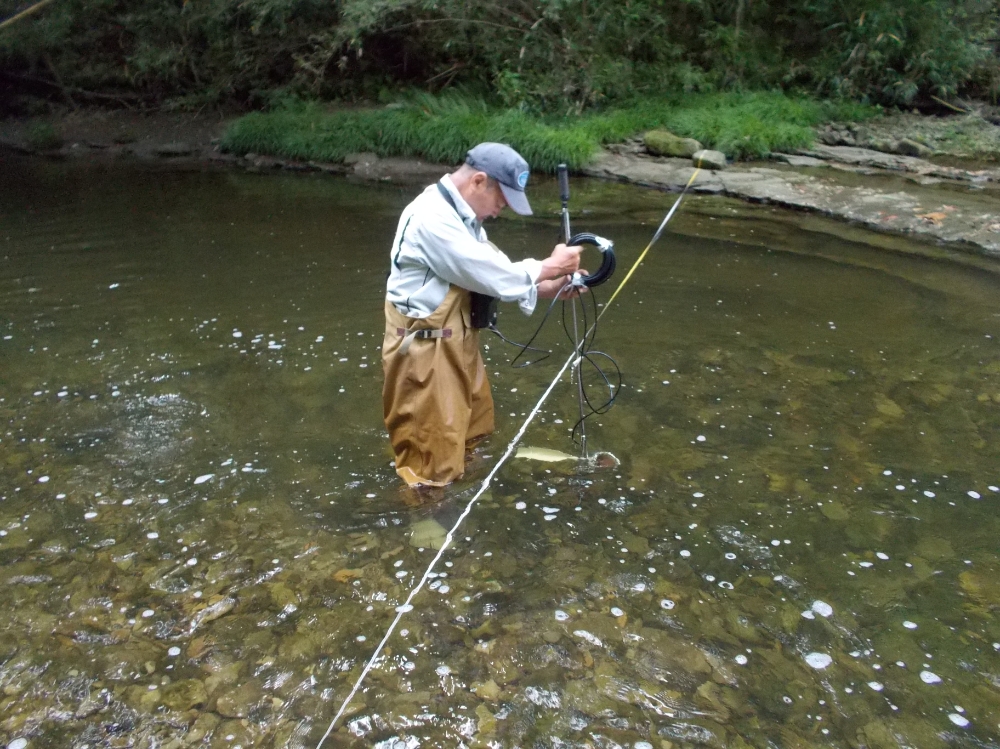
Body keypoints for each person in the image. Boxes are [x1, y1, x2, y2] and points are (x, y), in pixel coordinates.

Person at [382, 142, 583, 487]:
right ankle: (424, 529)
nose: (499, 211)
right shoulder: (431, 217)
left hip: (458, 342)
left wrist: (546, 287)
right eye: (501, 201)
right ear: (478, 181)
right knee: (430, 457)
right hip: (424, 353)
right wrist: (549, 266)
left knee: (475, 432)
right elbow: (488, 272)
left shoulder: (464, 217)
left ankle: (466, 498)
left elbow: (485, 274)